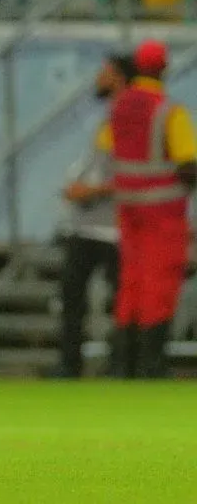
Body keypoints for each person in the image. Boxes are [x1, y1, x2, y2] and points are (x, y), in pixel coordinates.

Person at [104, 39, 196, 378]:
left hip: (128, 209)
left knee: (131, 283)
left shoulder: (118, 107)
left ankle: (121, 363)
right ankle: (151, 364)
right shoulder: (169, 111)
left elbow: (109, 149)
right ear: (164, 69)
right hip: (164, 212)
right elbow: (187, 163)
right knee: (160, 283)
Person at [50, 55, 134, 378]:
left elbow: (133, 174)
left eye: (105, 73)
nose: (98, 78)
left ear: (120, 78)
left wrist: (90, 192)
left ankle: (120, 365)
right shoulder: (109, 118)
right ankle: (69, 364)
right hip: (86, 225)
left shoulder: (129, 118)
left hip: (114, 227)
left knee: (120, 302)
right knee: (72, 298)